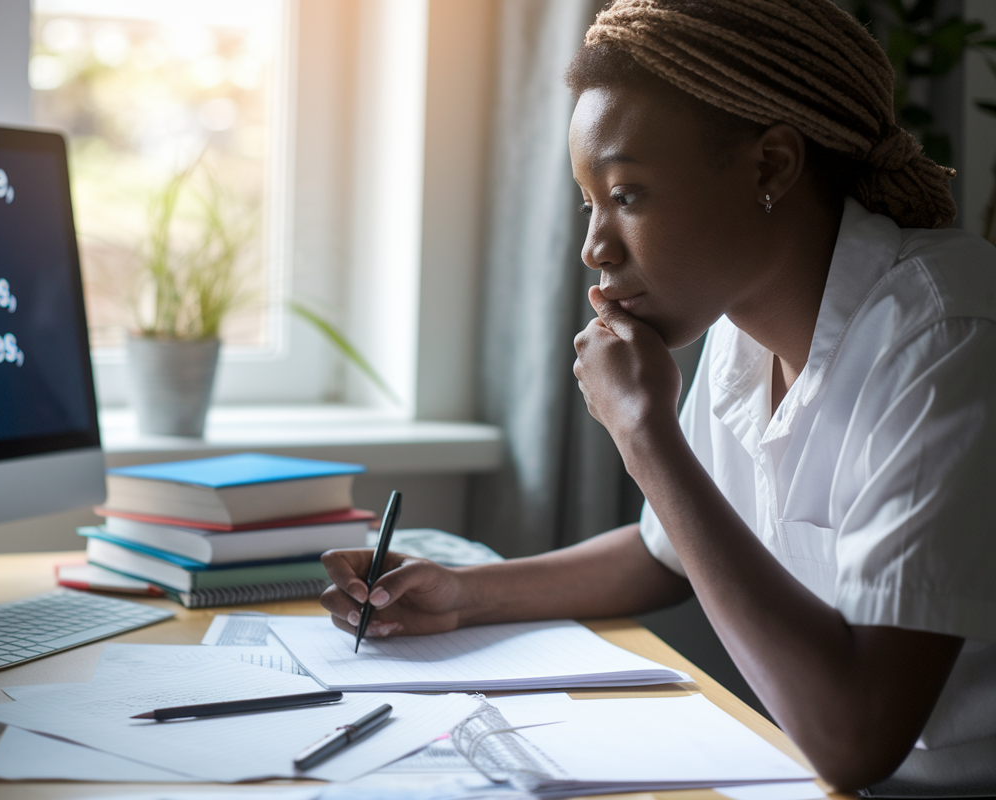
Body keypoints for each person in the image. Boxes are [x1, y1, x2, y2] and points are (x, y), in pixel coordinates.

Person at [319, 0, 996, 793]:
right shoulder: (744, 318)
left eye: (628, 194)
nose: (593, 247)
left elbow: (856, 744)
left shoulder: (947, 335)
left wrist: (645, 433)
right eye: (589, 203)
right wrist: (460, 595)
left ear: (771, 167)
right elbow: (663, 553)